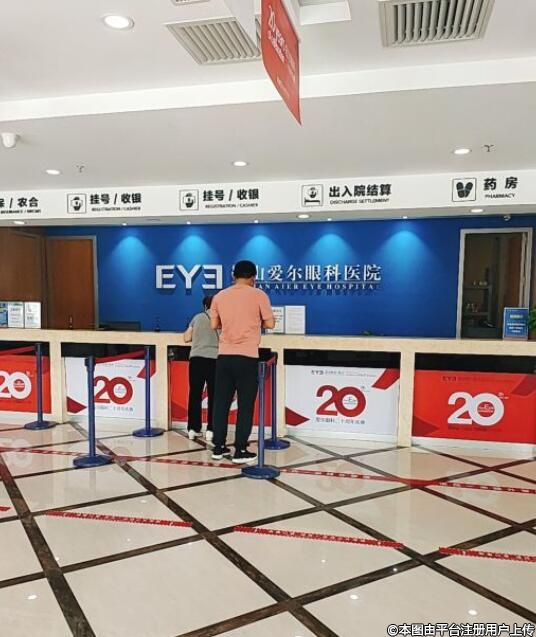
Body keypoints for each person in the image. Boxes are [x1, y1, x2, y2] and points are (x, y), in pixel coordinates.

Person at [210, 260, 275, 464]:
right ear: (253, 277)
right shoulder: (259, 295)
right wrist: (255, 322)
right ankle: (240, 450)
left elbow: (214, 324)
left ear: (233, 276)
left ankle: (218, 447)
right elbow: (270, 323)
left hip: (224, 357)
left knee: (221, 404)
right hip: (247, 357)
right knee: (245, 406)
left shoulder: (219, 296)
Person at [183, 296, 218, 441]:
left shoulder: (197, 318)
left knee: (195, 394)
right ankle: (211, 429)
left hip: (196, 359)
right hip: (214, 360)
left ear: (205, 306)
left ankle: (193, 428)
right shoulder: (220, 319)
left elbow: (186, 338)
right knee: (214, 396)